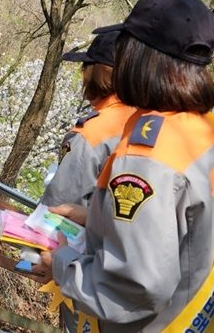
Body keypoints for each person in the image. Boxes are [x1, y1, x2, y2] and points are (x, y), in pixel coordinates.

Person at [36, 0, 214, 333]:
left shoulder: (147, 154)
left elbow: (134, 288)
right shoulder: (207, 130)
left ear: (141, 56)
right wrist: (97, 217)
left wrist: (62, 265)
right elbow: (177, 225)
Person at [40, 31, 134, 333]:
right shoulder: (142, 119)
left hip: (88, 268)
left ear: (95, 74)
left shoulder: (92, 132)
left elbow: (60, 204)